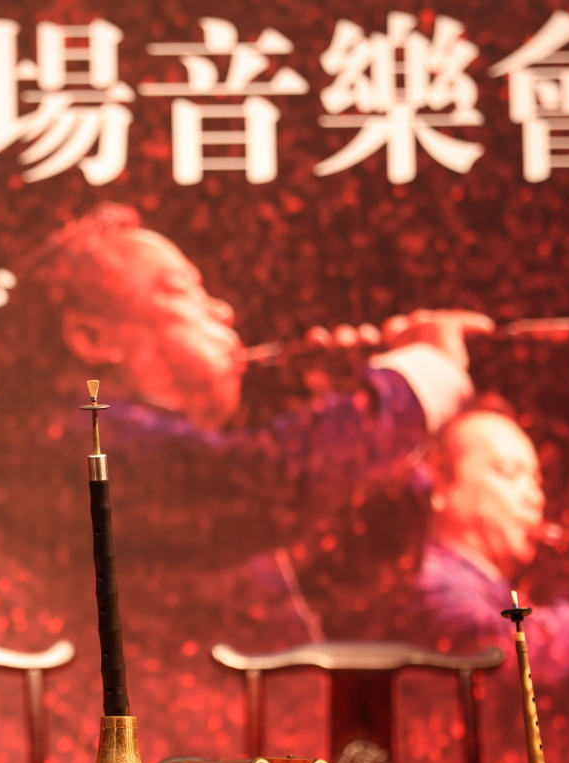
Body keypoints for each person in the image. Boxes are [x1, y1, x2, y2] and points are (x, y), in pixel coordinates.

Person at [33, 202, 492, 575]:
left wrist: (351, 413)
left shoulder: (168, 475)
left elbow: (349, 588)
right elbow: (261, 482)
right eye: (180, 290)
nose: (224, 311)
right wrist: (416, 378)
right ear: (93, 339)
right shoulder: (83, 442)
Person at [415, 406, 569, 682]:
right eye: (510, 473)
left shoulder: (485, 588)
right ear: (439, 481)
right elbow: (501, 651)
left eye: (536, 481)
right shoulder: (425, 580)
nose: (536, 498)